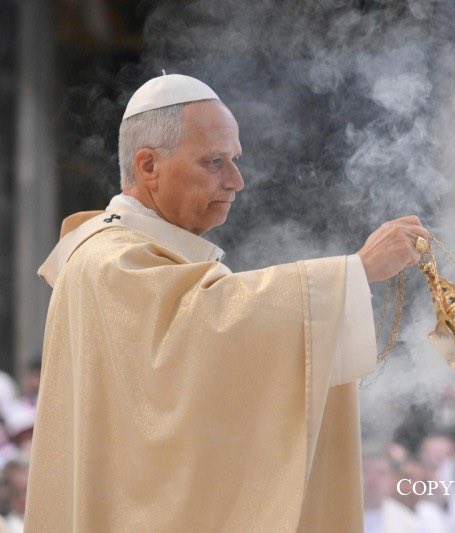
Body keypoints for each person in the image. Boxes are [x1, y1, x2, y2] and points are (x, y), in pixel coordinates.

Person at [25, 74, 429, 531]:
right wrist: (354, 272)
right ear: (148, 166)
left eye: (234, 160)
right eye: (214, 162)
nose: (237, 181)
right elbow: (210, 328)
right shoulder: (109, 260)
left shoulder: (142, 258)